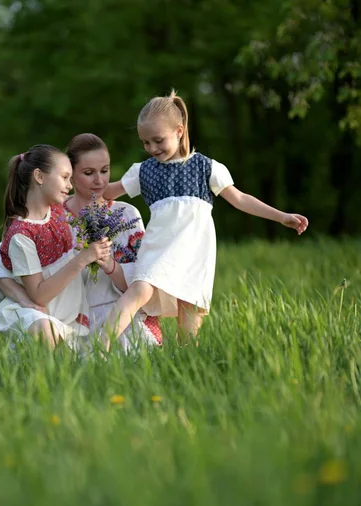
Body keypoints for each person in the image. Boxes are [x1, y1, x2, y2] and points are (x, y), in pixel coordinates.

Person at [101, 90, 309, 348]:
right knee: (139, 290)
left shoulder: (207, 168)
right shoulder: (143, 171)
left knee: (188, 324)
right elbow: (107, 191)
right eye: (145, 142)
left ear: (179, 131)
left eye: (158, 140)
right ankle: (99, 347)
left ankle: (183, 367)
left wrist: (281, 216)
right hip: (157, 250)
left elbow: (241, 199)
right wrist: (72, 189)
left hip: (193, 256)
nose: (152, 148)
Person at [0, 135, 162, 351]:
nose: (99, 181)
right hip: (73, 318)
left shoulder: (126, 215)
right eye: (88, 173)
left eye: (105, 170)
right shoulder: (53, 215)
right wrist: (27, 300)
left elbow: (144, 284)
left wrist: (110, 266)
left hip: (119, 317)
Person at [0, 143, 111, 349]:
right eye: (64, 177)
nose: (70, 185)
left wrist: (134, 183)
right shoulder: (22, 235)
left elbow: (93, 193)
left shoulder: (57, 209)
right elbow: (38, 295)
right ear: (40, 177)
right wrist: (83, 258)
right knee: (45, 335)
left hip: (65, 311)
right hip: (41, 312)